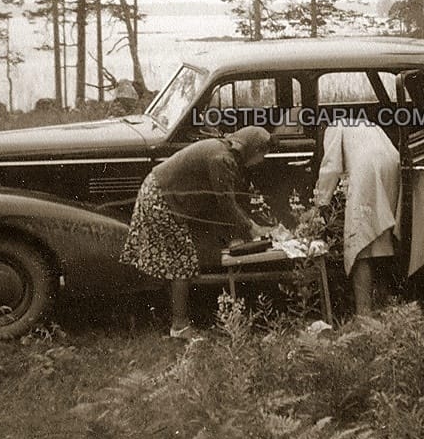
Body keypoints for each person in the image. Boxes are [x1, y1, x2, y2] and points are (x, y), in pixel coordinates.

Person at [120, 126, 276, 339]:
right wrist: (253, 228)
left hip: (159, 192)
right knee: (182, 263)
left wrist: (239, 233)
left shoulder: (222, 152)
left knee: (176, 262)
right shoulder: (221, 159)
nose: (261, 160)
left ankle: (172, 315)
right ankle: (180, 326)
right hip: (161, 199)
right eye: (262, 154)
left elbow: (220, 201)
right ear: (252, 148)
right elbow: (226, 202)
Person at [314, 119, 400, 316]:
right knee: (380, 237)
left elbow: (331, 167)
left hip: (367, 168)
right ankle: (383, 303)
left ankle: (364, 311)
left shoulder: (333, 128)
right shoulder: (364, 123)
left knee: (360, 243)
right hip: (391, 165)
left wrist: (320, 203)